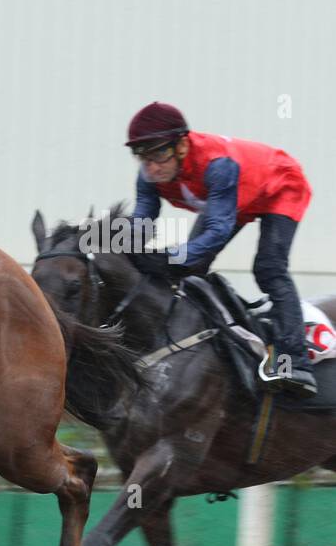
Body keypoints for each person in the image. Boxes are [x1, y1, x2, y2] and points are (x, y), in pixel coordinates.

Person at [127, 101, 316, 396]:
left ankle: (295, 361)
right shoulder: (150, 174)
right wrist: (101, 240)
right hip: (233, 197)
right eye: (141, 156)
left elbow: (218, 230)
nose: (151, 166)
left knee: (269, 268)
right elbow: (141, 221)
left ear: (182, 145)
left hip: (281, 185)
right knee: (191, 268)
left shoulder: (218, 164)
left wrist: (172, 255)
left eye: (159, 153)